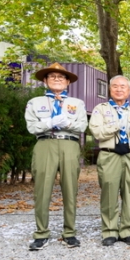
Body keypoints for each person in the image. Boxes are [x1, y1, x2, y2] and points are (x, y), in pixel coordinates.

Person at [25, 63, 88, 250]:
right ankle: (41, 233)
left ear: (68, 82)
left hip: (69, 144)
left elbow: (82, 126)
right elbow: (32, 127)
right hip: (46, 143)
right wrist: (50, 122)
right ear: (45, 80)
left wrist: (66, 122)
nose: (57, 79)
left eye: (61, 77)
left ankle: (69, 232)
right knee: (42, 189)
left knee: (70, 188)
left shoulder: (77, 103)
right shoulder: (35, 102)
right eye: (52, 76)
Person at [89, 76, 130, 246]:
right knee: (109, 191)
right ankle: (109, 231)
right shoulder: (101, 109)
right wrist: (116, 125)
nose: (119, 89)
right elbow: (97, 132)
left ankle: (127, 230)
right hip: (110, 154)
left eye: (123, 87)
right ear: (110, 89)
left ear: (129, 91)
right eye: (115, 86)